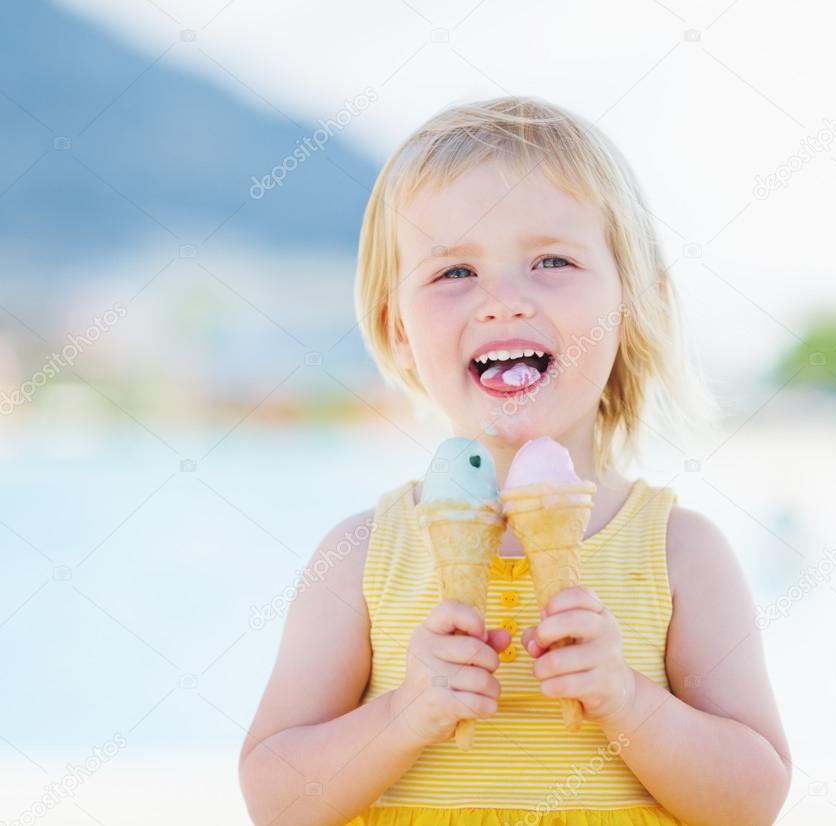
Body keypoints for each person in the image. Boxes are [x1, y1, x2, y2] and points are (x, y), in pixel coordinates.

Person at [238, 96, 792, 826]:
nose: (502, 301)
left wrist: (630, 702)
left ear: (633, 305)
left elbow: (750, 801)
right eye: (454, 272)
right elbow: (276, 800)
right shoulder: (360, 556)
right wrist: (401, 717)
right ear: (396, 330)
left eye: (552, 260)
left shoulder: (680, 554)